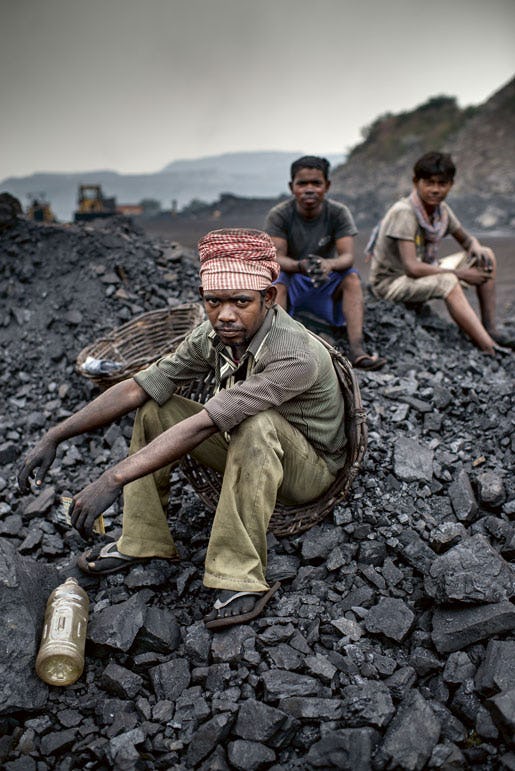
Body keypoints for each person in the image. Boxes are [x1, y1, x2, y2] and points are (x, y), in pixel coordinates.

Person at [18, 229, 348, 630]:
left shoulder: (294, 354)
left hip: (308, 472)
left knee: (255, 421)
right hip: (251, 451)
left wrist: (113, 478)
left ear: (269, 298)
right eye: (214, 302)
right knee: (156, 407)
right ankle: (143, 540)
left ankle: (239, 577)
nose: (225, 315)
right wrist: (55, 435)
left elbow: (208, 422)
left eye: (241, 302)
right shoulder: (214, 335)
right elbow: (139, 387)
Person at [367, 151, 512, 354]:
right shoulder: (405, 212)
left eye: (442, 184)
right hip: (391, 282)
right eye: (429, 183)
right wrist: (462, 274)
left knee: (485, 255)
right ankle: (489, 347)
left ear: (451, 185)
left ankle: (490, 329)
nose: (435, 190)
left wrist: (476, 246)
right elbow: (411, 267)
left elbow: (466, 240)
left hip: (420, 271)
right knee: (448, 281)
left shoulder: (440, 210)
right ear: (416, 182)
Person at [264, 155, 386, 370]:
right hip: (294, 280)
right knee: (277, 282)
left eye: (316, 183)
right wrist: (301, 266)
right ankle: (275, 350)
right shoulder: (280, 215)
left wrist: (328, 265)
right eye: (302, 184)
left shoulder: (338, 213)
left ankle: (357, 349)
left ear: (327, 186)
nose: (309, 189)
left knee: (352, 278)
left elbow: (347, 256)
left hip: (325, 281)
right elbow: (277, 257)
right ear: (292, 187)